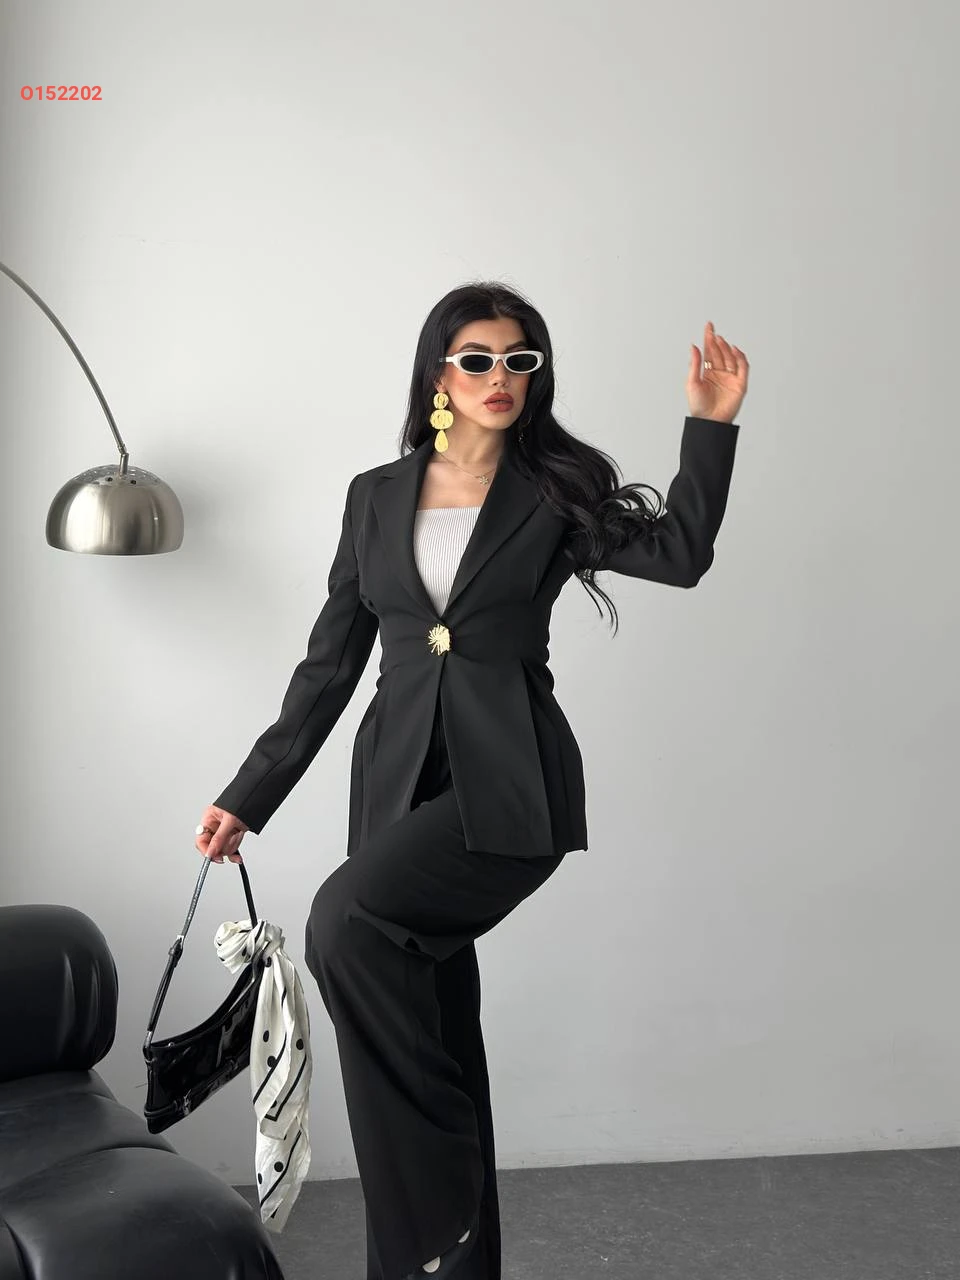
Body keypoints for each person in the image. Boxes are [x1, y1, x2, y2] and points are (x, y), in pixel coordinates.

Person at [194, 281, 748, 1280]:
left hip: (511, 784)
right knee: (437, 1022)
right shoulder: (375, 495)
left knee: (344, 923)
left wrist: (709, 427)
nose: (501, 376)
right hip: (396, 783)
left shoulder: (554, 492)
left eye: (519, 360)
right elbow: (330, 663)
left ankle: (434, 1206)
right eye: (478, 358)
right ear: (439, 375)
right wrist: (249, 794)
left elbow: (680, 554)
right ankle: (447, 1259)